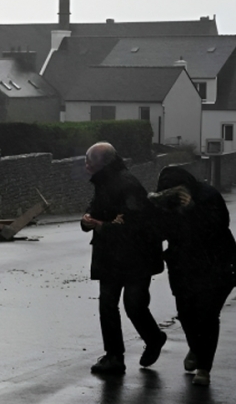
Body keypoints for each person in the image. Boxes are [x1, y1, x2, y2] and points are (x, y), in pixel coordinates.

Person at [81, 142, 166, 375]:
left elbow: (137, 225)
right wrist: (87, 220)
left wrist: (102, 226)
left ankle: (154, 338)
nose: (86, 164)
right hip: (111, 255)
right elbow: (97, 209)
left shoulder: (127, 184)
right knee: (107, 303)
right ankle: (114, 356)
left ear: (105, 162)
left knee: (134, 305)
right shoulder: (104, 182)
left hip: (138, 256)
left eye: (91, 160)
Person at [148, 166, 236, 386]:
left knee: (207, 315)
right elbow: (161, 232)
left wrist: (192, 209)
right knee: (186, 314)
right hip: (182, 266)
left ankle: (204, 368)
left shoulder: (208, 195)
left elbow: (218, 226)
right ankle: (197, 349)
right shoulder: (165, 203)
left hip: (216, 264)